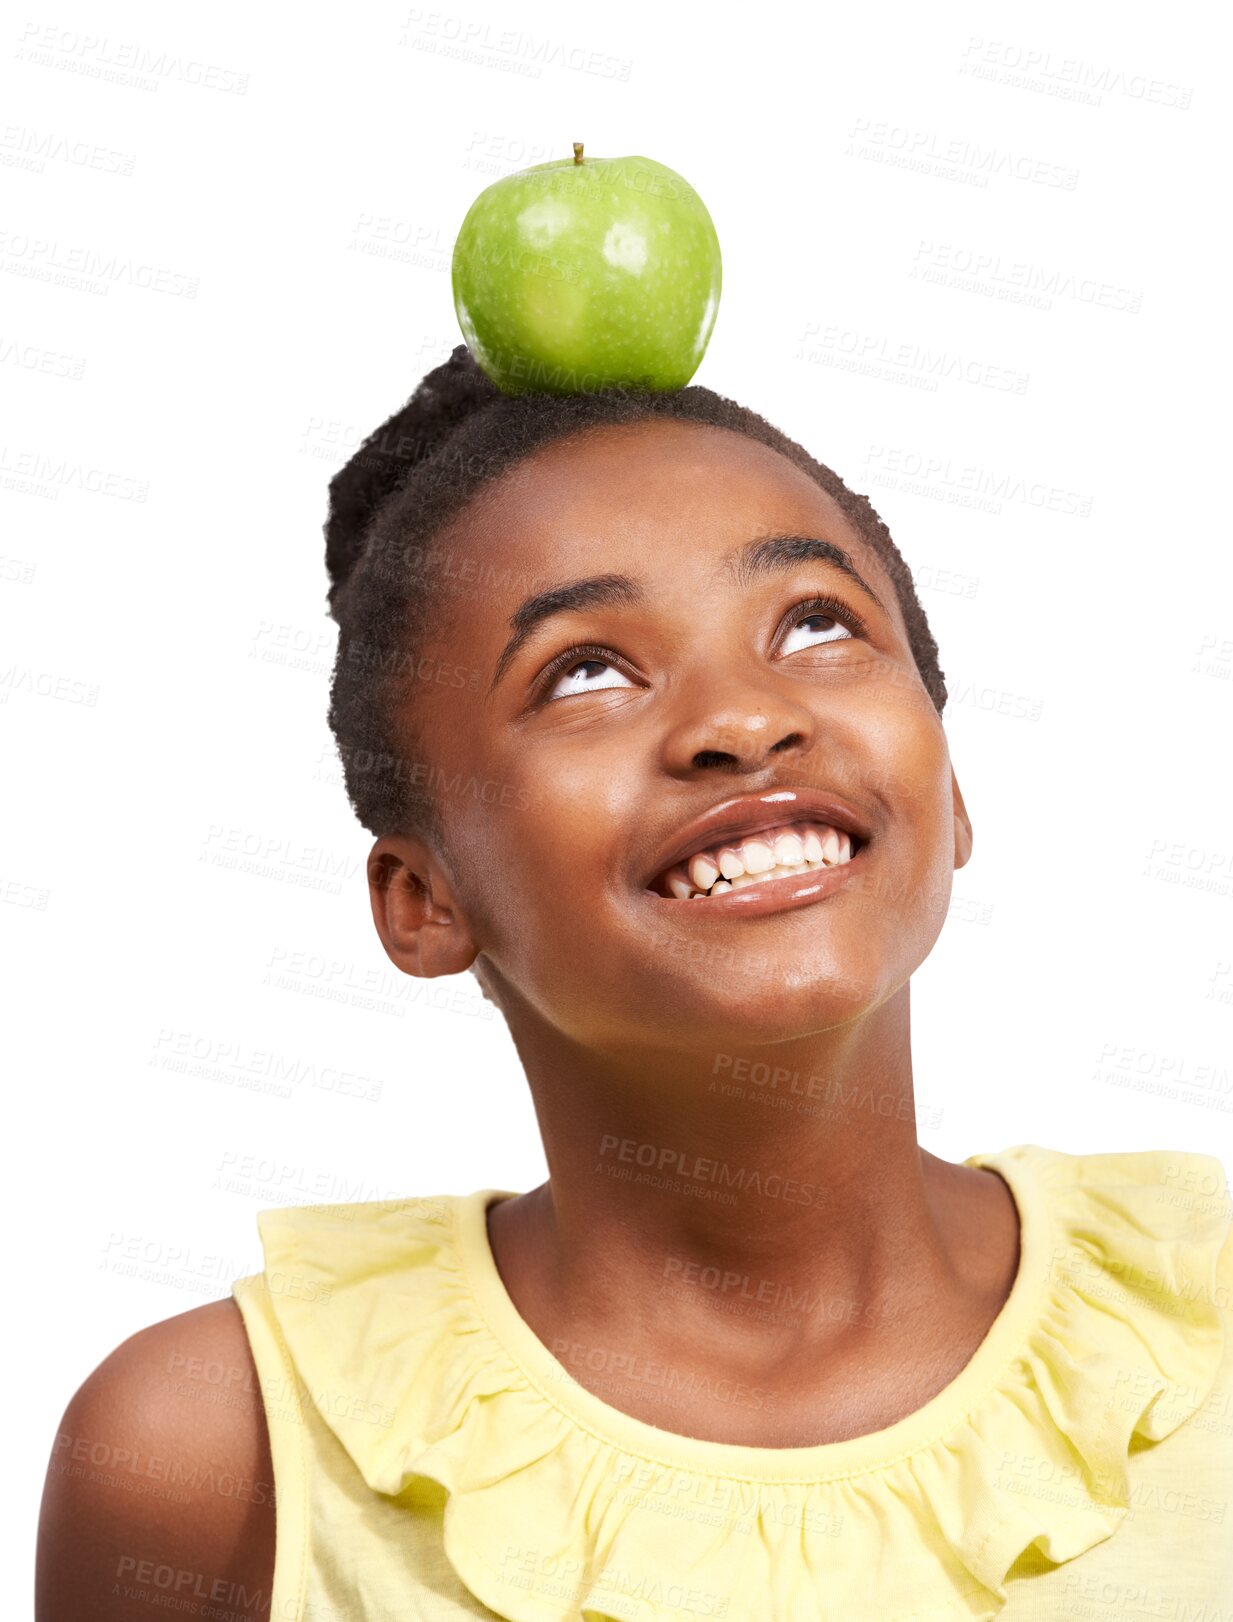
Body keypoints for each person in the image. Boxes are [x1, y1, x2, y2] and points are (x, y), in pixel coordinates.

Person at [37, 345, 1233, 1620]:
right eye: (584, 671)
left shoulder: (1201, 1322)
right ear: (424, 899)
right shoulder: (218, 1454)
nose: (745, 717)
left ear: (955, 797)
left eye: (817, 621)